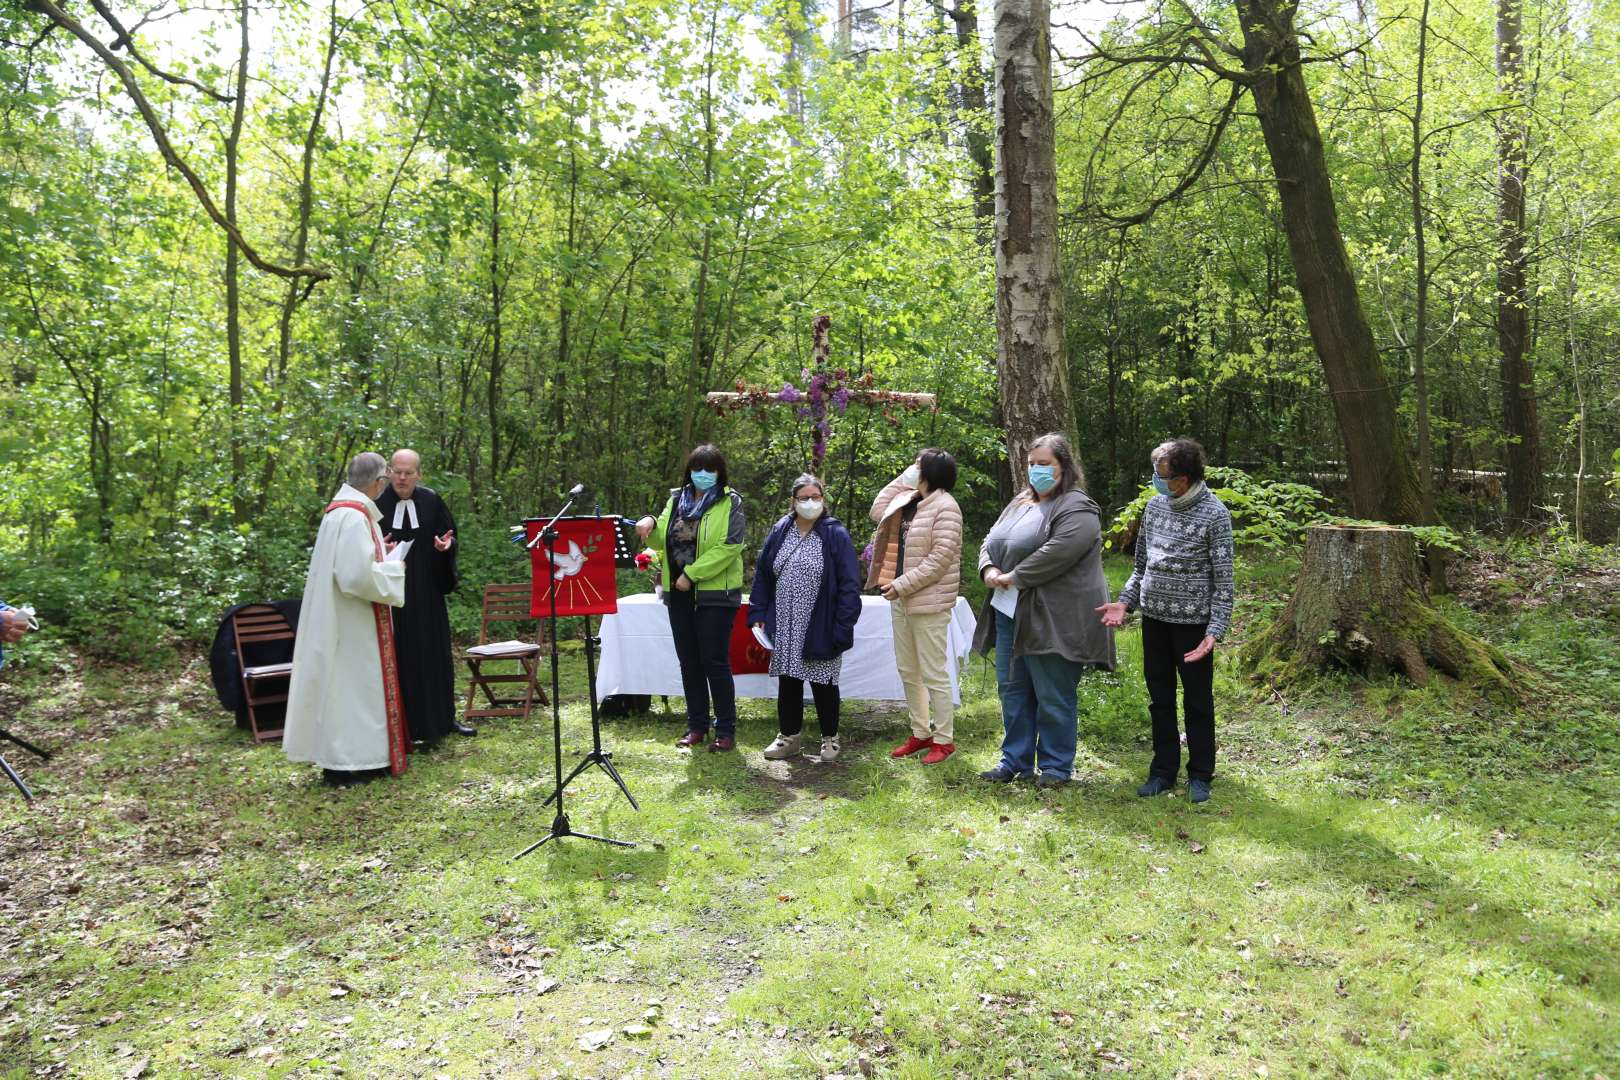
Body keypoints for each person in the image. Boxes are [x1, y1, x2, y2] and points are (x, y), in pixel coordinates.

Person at [973, 433, 1115, 787]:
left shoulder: (1078, 507)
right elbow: (989, 540)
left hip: (1054, 617)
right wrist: (989, 569)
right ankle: (1015, 761)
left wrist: (1014, 576)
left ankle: (1055, 767)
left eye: (1044, 464)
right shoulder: (1020, 502)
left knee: (1053, 693)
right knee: (1013, 690)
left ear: (1064, 467)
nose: (1035, 470)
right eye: (1031, 464)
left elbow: (1059, 552)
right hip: (1010, 612)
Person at [1098, 438, 1233, 804]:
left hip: (1193, 627)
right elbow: (1141, 567)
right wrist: (1125, 603)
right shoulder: (1156, 508)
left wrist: (1214, 631)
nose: (1156, 481)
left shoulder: (1215, 514)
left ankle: (1201, 774)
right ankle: (1163, 771)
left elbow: (1224, 582)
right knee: (1160, 699)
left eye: (1162, 475)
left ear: (1184, 479)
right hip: (1154, 621)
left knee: (1198, 702)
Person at [283, 452, 410, 786]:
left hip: (339, 617)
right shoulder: (353, 517)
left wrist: (377, 552)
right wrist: (394, 570)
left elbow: (350, 561)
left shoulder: (340, 512)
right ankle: (347, 763)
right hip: (352, 620)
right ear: (378, 482)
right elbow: (354, 576)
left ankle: (353, 760)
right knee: (354, 689)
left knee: (344, 690)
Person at [636, 445, 746, 752]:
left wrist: (692, 575)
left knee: (714, 661)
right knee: (689, 662)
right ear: (689, 470)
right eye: (698, 468)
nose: (703, 474)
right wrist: (649, 522)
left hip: (715, 594)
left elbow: (730, 546)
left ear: (720, 473)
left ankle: (725, 729)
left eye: (710, 469)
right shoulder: (677, 499)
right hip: (678, 595)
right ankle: (696, 726)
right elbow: (660, 539)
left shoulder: (730, 501)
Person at [750, 475, 861, 763]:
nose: (810, 502)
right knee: (789, 681)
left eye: (816, 496)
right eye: (804, 497)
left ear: (823, 500)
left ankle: (830, 739)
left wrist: (843, 625)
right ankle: (789, 737)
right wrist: (759, 612)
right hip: (785, 621)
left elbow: (850, 583)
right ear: (793, 501)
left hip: (821, 621)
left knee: (824, 681)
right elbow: (763, 574)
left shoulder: (835, 533)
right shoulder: (780, 530)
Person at [868, 449, 964, 765]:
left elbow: (939, 560)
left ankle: (944, 740)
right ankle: (921, 733)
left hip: (929, 602)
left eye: (918, 465)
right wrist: (905, 478)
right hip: (902, 601)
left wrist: (902, 585)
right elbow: (877, 509)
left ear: (931, 472)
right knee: (909, 671)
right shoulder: (909, 501)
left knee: (934, 672)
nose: (913, 469)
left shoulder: (947, 508)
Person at [375, 448, 470, 743]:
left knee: (435, 656)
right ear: (389, 471)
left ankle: (443, 720)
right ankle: (404, 726)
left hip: (427, 594)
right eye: (397, 472)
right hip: (393, 598)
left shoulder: (431, 500)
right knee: (402, 658)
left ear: (419, 474)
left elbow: (450, 537)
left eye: (408, 473)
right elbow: (364, 549)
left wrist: (445, 548)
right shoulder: (376, 504)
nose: (402, 478)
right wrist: (381, 552)